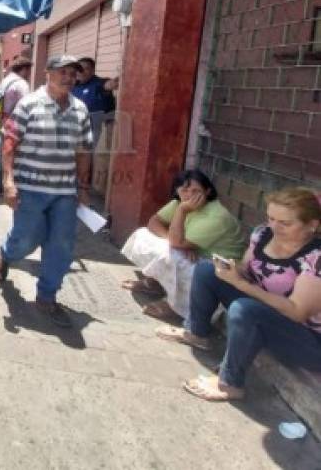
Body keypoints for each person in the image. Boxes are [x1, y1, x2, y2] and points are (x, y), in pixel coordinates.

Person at [157, 187, 321, 402]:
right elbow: (246, 267)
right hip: (265, 308)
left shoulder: (316, 257)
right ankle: (196, 332)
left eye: (285, 223)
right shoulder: (263, 234)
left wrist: (243, 286)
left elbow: (297, 312)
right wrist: (232, 270)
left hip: (306, 338)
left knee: (246, 309)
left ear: (312, 225)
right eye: (271, 218)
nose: (274, 227)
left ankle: (230, 383)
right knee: (206, 270)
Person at [0, 55, 93, 327]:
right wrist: (9, 182)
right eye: (63, 72)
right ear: (47, 73)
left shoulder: (80, 109)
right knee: (25, 240)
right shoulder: (29, 104)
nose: (68, 78)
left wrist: (83, 186)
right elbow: (9, 144)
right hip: (30, 189)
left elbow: (84, 150)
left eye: (73, 74)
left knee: (62, 244)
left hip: (64, 191)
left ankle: (46, 296)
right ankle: (6, 254)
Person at [121, 170, 244, 321]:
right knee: (143, 234)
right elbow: (154, 222)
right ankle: (155, 284)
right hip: (192, 253)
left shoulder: (216, 215)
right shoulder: (180, 202)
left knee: (171, 253)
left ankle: (176, 306)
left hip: (217, 268)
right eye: (184, 190)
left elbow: (176, 243)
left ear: (208, 191)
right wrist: (174, 242)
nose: (189, 195)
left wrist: (182, 212)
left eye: (196, 191)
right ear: (177, 190)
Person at [0, 57, 31, 200]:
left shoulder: (6, 80)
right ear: (24, 69)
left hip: (3, 122)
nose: (29, 73)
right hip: (15, 124)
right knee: (10, 157)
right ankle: (3, 188)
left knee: (3, 155)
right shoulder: (21, 84)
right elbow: (28, 105)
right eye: (28, 70)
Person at [71, 57, 117, 147]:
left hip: (97, 131)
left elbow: (107, 85)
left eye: (86, 68)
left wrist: (112, 84)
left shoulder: (98, 83)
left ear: (92, 71)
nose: (81, 71)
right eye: (79, 68)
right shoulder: (73, 85)